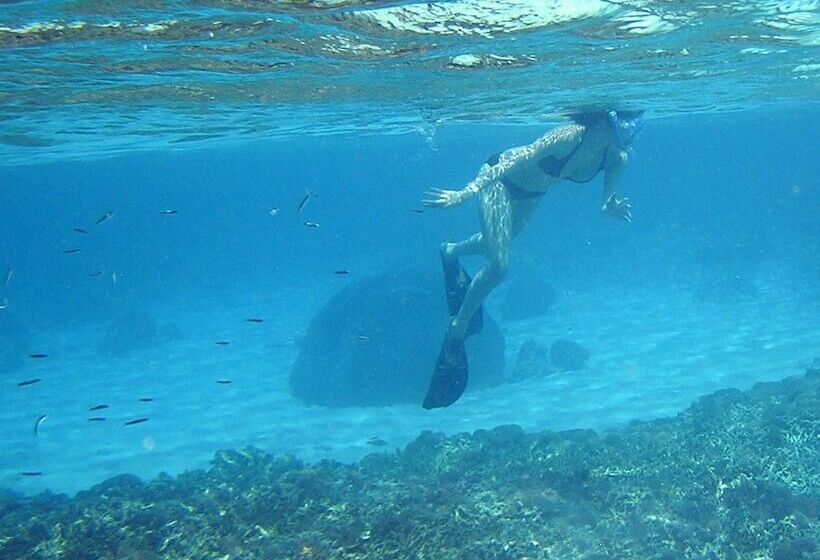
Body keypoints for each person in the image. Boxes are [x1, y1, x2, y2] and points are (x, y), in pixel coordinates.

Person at [421, 108, 644, 409]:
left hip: (532, 195)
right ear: (603, 120)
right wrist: (465, 193)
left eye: (634, 125)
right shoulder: (570, 134)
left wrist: (610, 207)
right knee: (499, 264)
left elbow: (605, 203)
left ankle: (451, 251)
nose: (627, 133)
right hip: (498, 181)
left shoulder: (618, 158)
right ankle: (456, 331)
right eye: (622, 124)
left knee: (497, 243)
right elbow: (519, 157)